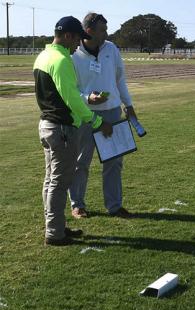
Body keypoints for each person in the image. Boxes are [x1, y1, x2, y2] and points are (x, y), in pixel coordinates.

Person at [34, 16, 113, 246]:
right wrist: (97, 122)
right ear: (68, 35)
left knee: (51, 181)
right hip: (62, 129)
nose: (79, 43)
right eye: (77, 38)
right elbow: (72, 100)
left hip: (47, 125)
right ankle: (55, 233)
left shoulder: (43, 56)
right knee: (59, 182)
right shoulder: (61, 60)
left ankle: (56, 226)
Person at [69, 12, 137, 219]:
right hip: (85, 114)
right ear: (88, 31)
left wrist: (129, 104)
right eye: (103, 30)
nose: (106, 34)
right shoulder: (72, 54)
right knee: (81, 162)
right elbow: (70, 89)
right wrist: (87, 98)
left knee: (114, 161)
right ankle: (77, 205)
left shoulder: (111, 48)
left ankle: (114, 206)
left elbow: (120, 79)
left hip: (113, 112)